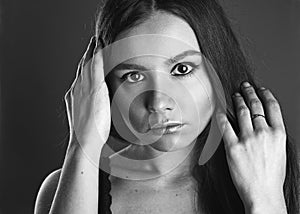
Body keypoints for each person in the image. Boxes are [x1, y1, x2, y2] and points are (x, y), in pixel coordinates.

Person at [34, 0, 300, 213]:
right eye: (133, 76)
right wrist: (81, 146)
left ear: (216, 68)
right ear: (105, 86)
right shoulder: (63, 189)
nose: (159, 102)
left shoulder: (280, 179)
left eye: (182, 69)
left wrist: (266, 200)